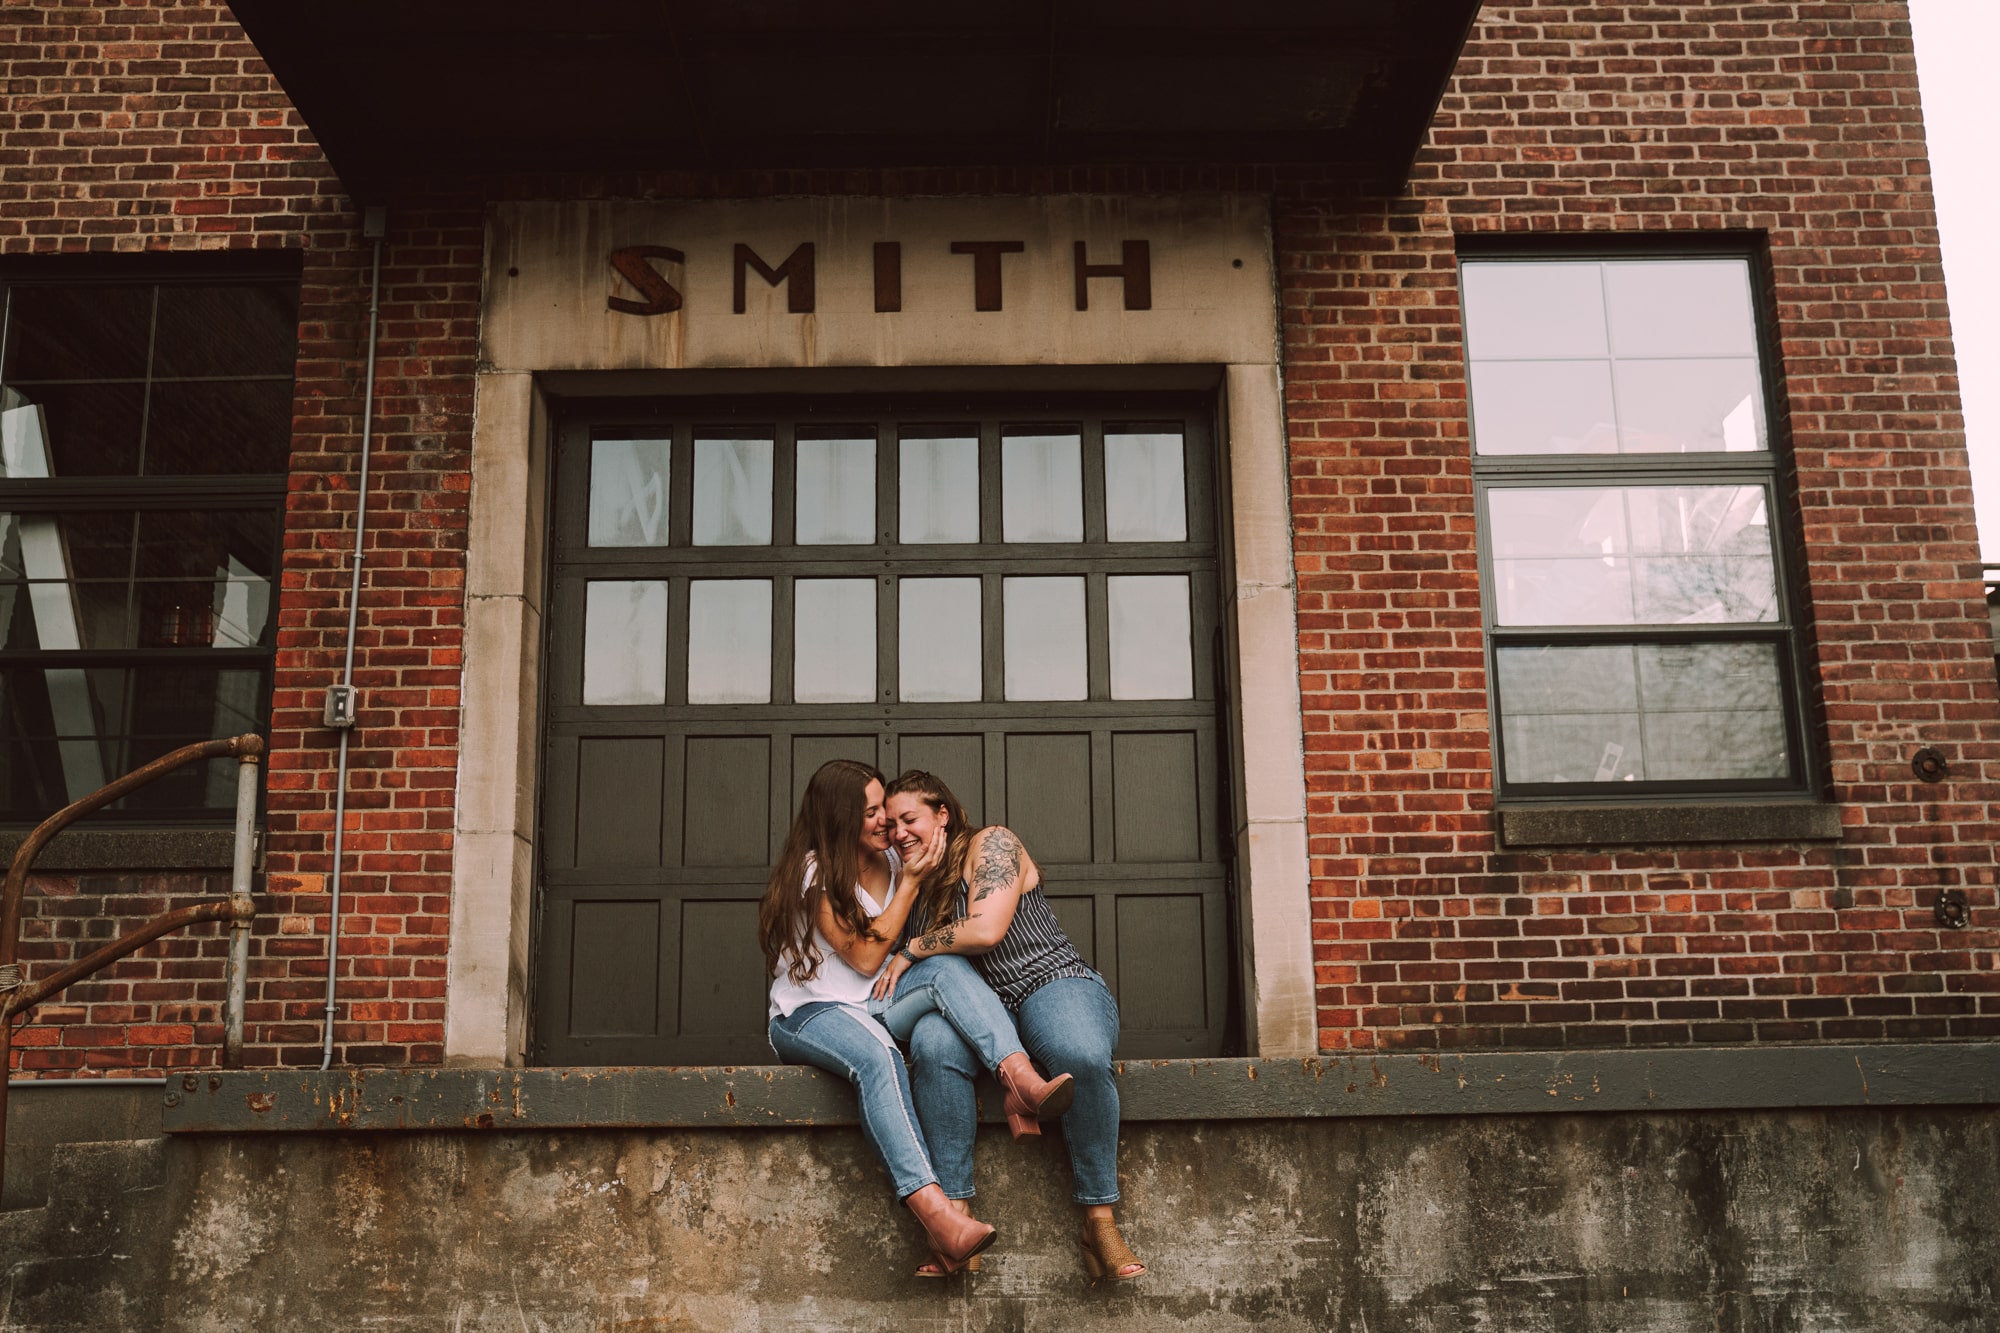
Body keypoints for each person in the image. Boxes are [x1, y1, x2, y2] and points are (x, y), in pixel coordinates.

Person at [874, 770, 1148, 1283]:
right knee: (932, 1045)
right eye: (890, 826)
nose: (899, 833)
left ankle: (1099, 1221)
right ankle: (955, 1220)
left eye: (909, 819)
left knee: (1081, 1054)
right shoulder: (908, 886)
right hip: (977, 1014)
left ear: (942, 815)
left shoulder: (992, 844)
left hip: (1050, 982)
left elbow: (986, 927)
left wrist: (912, 948)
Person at [756, 758, 997, 1275]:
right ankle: (936, 1217)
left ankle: (1016, 1077)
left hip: (875, 1004)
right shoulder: (815, 871)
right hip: (812, 1011)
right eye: (871, 813)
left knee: (944, 995)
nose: (885, 822)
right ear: (840, 819)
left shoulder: (891, 860)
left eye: (884, 810)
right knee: (878, 1057)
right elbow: (864, 956)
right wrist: (911, 883)